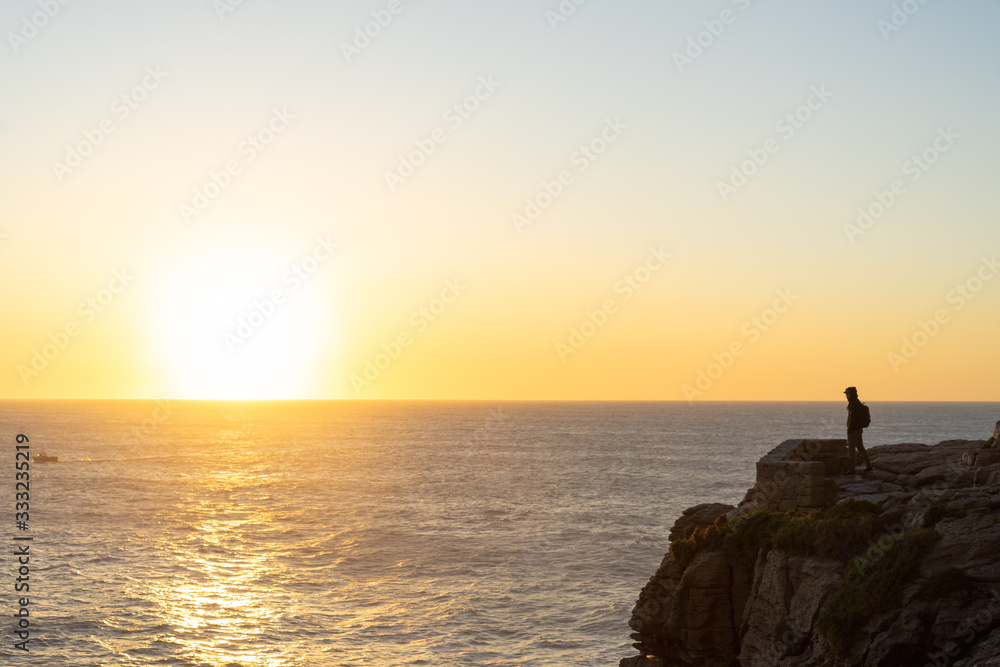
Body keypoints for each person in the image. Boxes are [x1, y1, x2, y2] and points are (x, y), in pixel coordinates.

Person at [845, 386, 872, 474]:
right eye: (846, 394)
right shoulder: (857, 403)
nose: (846, 396)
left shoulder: (853, 404)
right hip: (858, 430)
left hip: (853, 430)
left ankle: (852, 470)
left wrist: (849, 430)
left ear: (852, 394)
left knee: (851, 450)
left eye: (848, 394)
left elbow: (853, 419)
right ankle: (869, 466)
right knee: (861, 448)